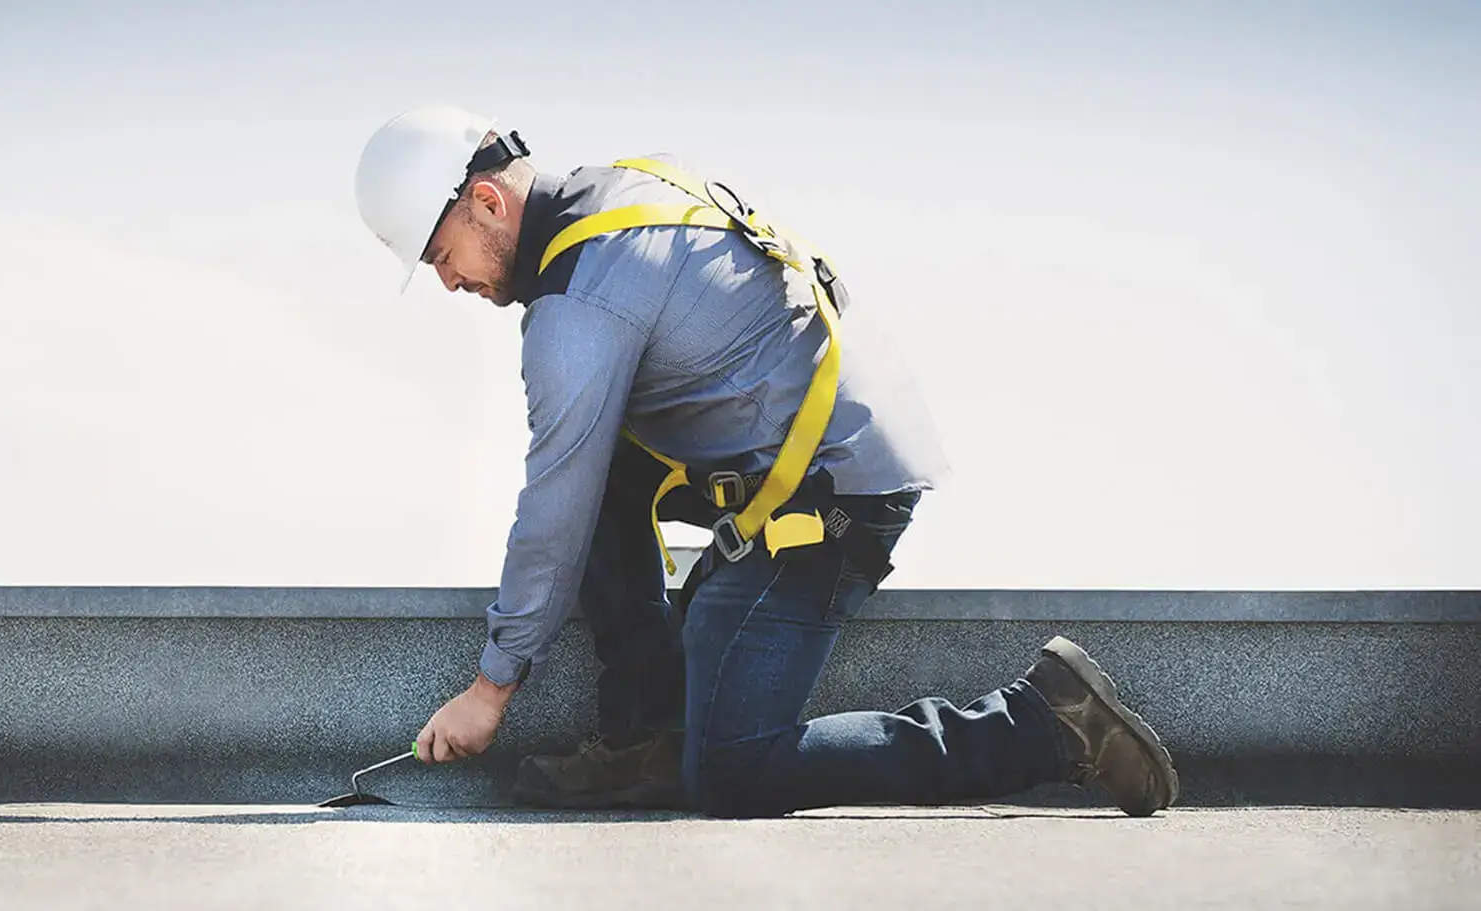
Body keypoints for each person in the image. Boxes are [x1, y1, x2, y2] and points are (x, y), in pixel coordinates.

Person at [352, 104, 1178, 818]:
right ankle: (652, 736)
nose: (447, 282)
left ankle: (1039, 723)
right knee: (595, 467)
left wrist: (490, 689)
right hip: (819, 447)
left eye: (437, 257)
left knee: (734, 771)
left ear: (486, 202)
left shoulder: (579, 302)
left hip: (831, 497)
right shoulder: (626, 189)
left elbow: (553, 503)